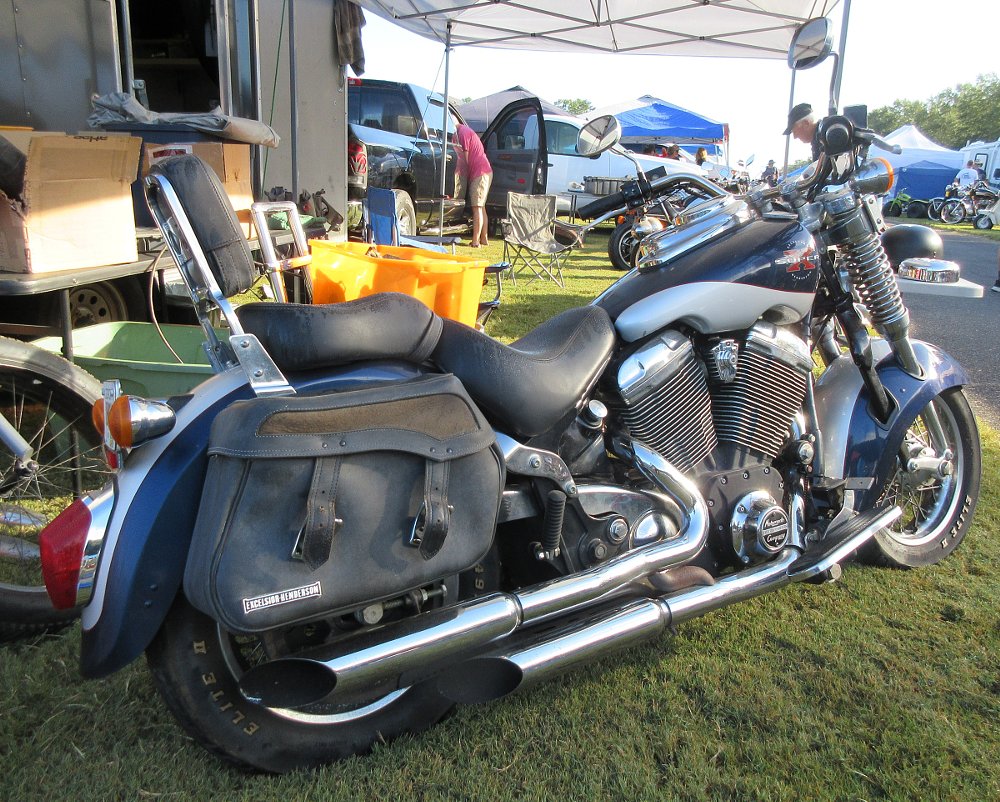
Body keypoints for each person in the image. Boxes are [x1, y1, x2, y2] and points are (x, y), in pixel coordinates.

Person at [455, 122, 493, 247]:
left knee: (477, 207)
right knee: (481, 207)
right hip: (485, 171)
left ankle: (476, 241)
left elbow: (464, 158)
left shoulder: (463, 133)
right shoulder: (465, 131)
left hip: (480, 173)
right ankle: (484, 238)